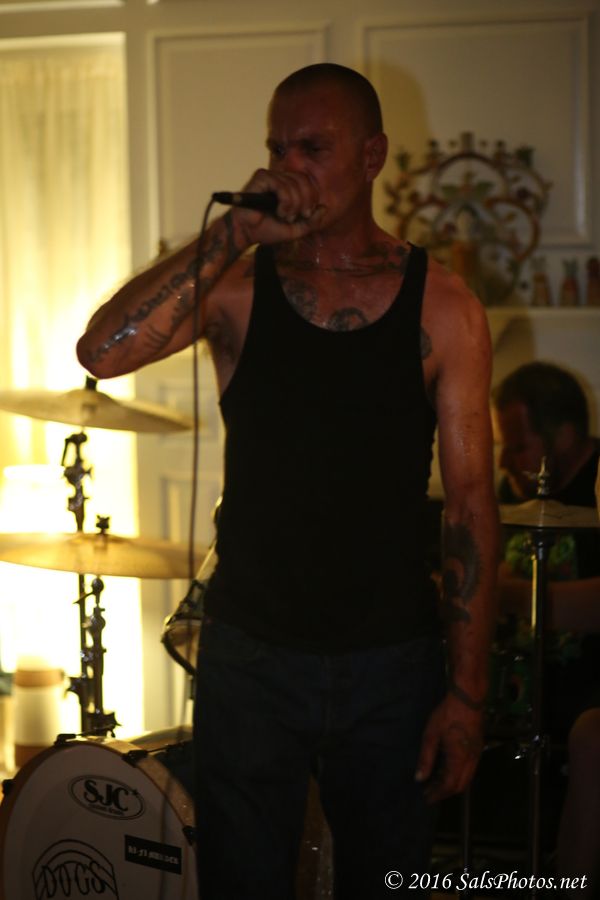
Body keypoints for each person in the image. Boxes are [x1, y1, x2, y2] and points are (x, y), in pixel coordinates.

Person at [76, 63, 499, 900]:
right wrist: (234, 230)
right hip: (252, 657)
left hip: (391, 661)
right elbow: (102, 352)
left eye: (313, 148)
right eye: (277, 149)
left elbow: (471, 507)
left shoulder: (444, 307)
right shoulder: (238, 287)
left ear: (371, 156)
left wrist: (467, 694)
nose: (288, 168)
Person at [493, 361, 600, 894]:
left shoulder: (594, 484)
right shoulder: (514, 490)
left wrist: (508, 596)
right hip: (520, 689)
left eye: (517, 445)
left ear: (564, 436)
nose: (504, 460)